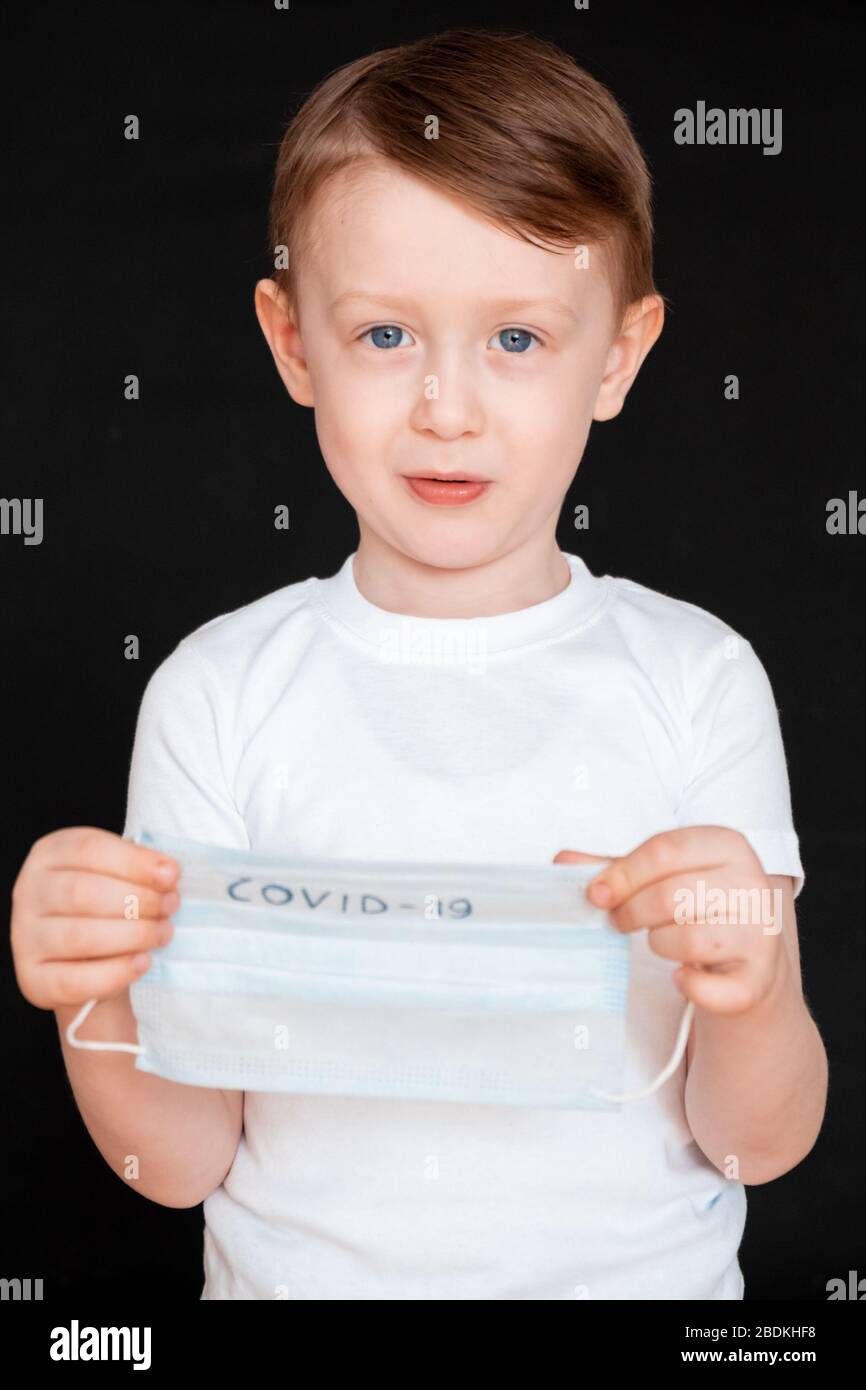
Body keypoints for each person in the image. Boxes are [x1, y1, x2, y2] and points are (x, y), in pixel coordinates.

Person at [11, 28, 827, 1300]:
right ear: (293, 345)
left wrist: (750, 984)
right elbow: (177, 1162)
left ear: (615, 354)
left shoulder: (698, 681)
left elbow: (754, 1140)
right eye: (386, 336)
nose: (447, 406)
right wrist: (91, 1000)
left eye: (516, 340)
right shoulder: (217, 695)